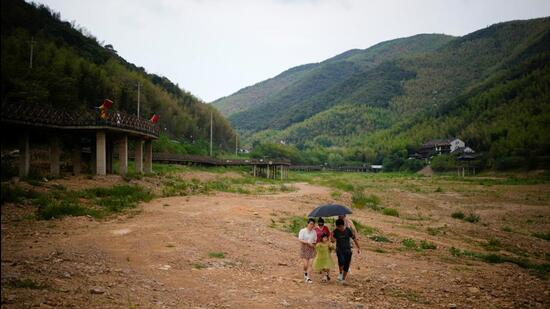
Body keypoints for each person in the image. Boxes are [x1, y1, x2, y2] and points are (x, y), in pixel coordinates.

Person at [332, 218, 360, 284]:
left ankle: (343, 279)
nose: (339, 228)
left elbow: (354, 239)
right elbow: (333, 241)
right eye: (338, 227)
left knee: (347, 265)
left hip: (348, 250)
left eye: (340, 227)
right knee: (341, 262)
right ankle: (341, 273)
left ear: (343, 225)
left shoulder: (348, 230)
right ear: (336, 226)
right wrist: (331, 235)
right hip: (339, 250)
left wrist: (358, 247)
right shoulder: (335, 231)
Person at [298, 218, 317, 283]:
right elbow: (300, 239)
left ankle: (308, 277)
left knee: (310, 264)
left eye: (313, 224)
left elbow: (315, 240)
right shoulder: (302, 231)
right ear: (308, 224)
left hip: (311, 248)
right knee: (305, 265)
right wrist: (307, 243)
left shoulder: (314, 232)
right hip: (304, 248)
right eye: (311, 224)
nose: (312, 225)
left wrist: (313, 244)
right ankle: (305, 274)